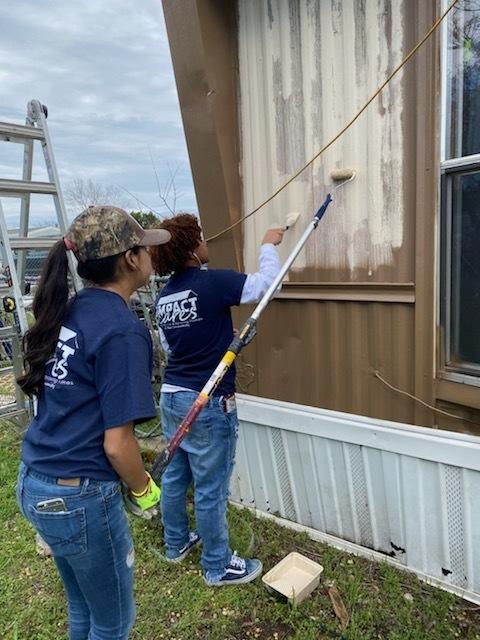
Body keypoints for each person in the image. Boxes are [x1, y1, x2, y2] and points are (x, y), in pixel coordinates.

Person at [15, 206, 170, 640]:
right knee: (113, 622)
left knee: (83, 606)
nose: (151, 255)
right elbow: (117, 445)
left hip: (36, 481)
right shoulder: (122, 330)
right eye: (145, 248)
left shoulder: (72, 309)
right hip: (76, 497)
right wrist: (143, 489)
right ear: (131, 259)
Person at [151, 213, 284, 586]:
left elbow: (173, 346)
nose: (206, 242)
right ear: (192, 247)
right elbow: (266, 286)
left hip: (173, 396)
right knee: (210, 488)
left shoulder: (164, 298)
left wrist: (218, 337)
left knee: (176, 474)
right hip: (206, 401)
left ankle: (176, 543)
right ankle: (217, 565)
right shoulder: (212, 283)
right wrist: (268, 245)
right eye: (202, 237)